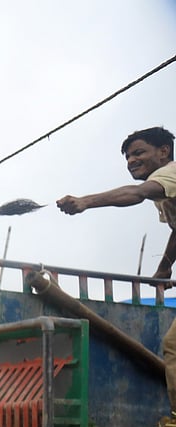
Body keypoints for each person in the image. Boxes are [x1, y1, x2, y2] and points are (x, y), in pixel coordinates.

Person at [57, 126, 176, 411]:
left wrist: (86, 201)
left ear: (164, 152)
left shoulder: (169, 173)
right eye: (127, 157)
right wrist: (164, 267)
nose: (131, 161)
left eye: (139, 152)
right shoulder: (166, 191)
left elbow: (135, 194)